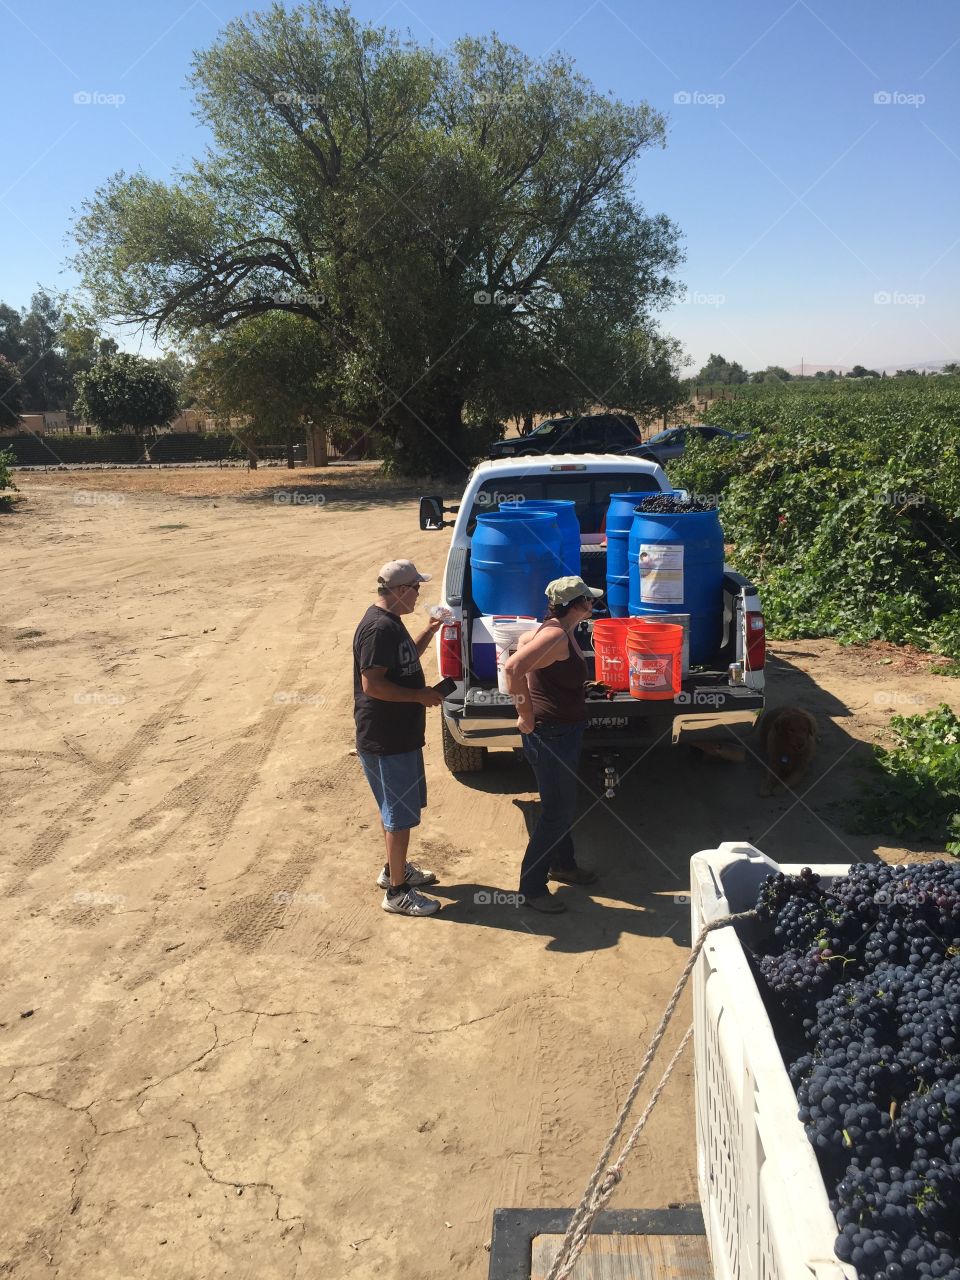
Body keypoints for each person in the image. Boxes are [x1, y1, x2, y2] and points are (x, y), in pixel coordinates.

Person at [502, 576, 604, 913]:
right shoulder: (554, 635)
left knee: (558, 804)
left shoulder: (560, 630)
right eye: (589, 600)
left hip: (561, 732)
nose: (593, 604)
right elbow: (513, 667)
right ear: (577, 605)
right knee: (555, 812)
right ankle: (532, 888)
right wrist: (525, 713)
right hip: (551, 734)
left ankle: (564, 864)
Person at [353, 559, 444, 917]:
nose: (419, 594)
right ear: (401, 590)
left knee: (394, 810)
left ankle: (394, 867)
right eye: (416, 588)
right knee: (399, 817)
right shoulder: (379, 628)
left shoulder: (393, 624)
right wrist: (419, 696)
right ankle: (397, 892)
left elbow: (404, 660)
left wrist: (430, 629)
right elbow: (372, 684)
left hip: (397, 735)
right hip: (386, 737)